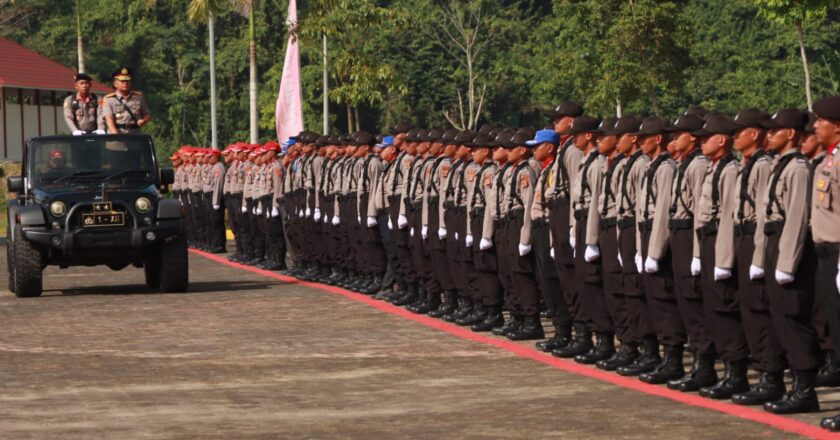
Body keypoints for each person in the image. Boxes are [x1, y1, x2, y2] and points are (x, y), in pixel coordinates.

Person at [102, 67, 152, 134]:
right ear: (115, 83)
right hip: (116, 134)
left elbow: (147, 114)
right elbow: (109, 119)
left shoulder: (138, 97)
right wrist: (115, 134)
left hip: (135, 135)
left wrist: (144, 121)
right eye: (122, 81)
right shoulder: (109, 99)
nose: (125, 83)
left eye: (127, 81)